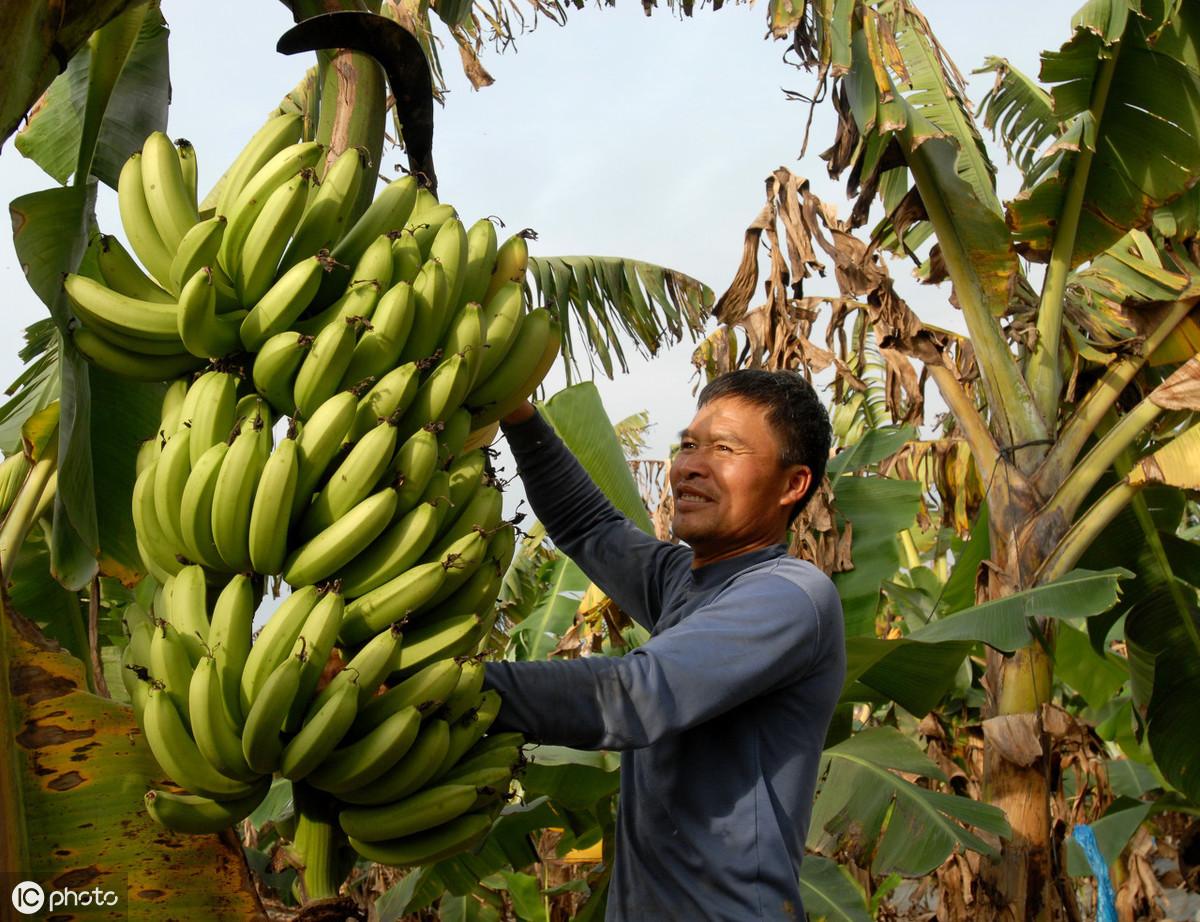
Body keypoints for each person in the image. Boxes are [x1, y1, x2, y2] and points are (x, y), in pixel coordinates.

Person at [483, 368, 846, 921]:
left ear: (793, 484)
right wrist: (517, 413)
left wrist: (441, 689)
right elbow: (588, 526)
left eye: (724, 448)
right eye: (690, 445)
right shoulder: (685, 582)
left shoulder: (789, 598)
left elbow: (634, 696)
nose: (690, 466)